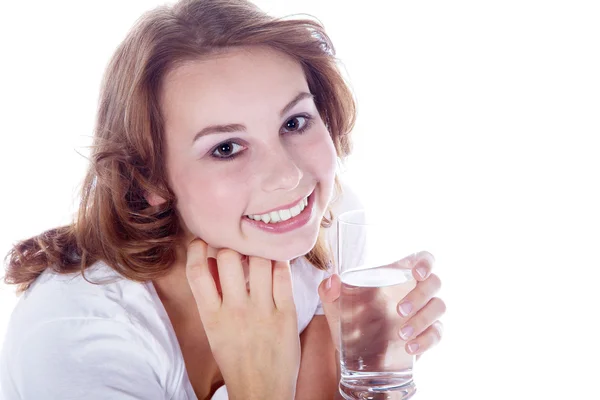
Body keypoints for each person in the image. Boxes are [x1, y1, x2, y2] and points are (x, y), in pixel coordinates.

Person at [0, 0, 446, 399]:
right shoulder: (74, 340)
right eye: (226, 148)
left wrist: (363, 373)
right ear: (148, 178)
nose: (289, 177)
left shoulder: (324, 228)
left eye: (294, 122)